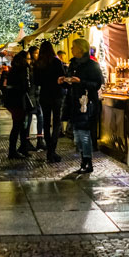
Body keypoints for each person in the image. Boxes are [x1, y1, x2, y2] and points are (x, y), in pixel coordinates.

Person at [63, 38, 103, 173]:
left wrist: (81, 82)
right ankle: (83, 160)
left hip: (87, 104)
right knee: (77, 134)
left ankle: (87, 162)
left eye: (73, 46)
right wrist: (64, 81)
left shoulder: (92, 65)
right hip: (74, 103)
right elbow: (71, 82)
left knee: (84, 134)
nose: (71, 49)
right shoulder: (73, 64)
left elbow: (97, 84)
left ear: (80, 49)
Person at [34, 41, 67, 163]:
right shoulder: (56, 61)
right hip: (57, 94)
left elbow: (36, 81)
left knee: (46, 122)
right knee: (57, 121)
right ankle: (52, 150)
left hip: (44, 95)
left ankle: (49, 150)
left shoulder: (38, 63)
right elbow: (62, 77)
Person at [3, 51, 31, 159]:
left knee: (19, 125)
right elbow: (26, 86)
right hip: (19, 100)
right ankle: (13, 151)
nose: (29, 60)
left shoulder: (13, 69)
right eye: (28, 58)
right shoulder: (24, 68)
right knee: (18, 125)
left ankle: (21, 148)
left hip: (12, 100)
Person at [25, 45, 46, 151]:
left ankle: (40, 139)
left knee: (40, 117)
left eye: (38, 53)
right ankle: (27, 140)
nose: (37, 55)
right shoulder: (29, 67)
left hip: (38, 95)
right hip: (31, 95)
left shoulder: (39, 65)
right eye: (35, 53)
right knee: (28, 118)